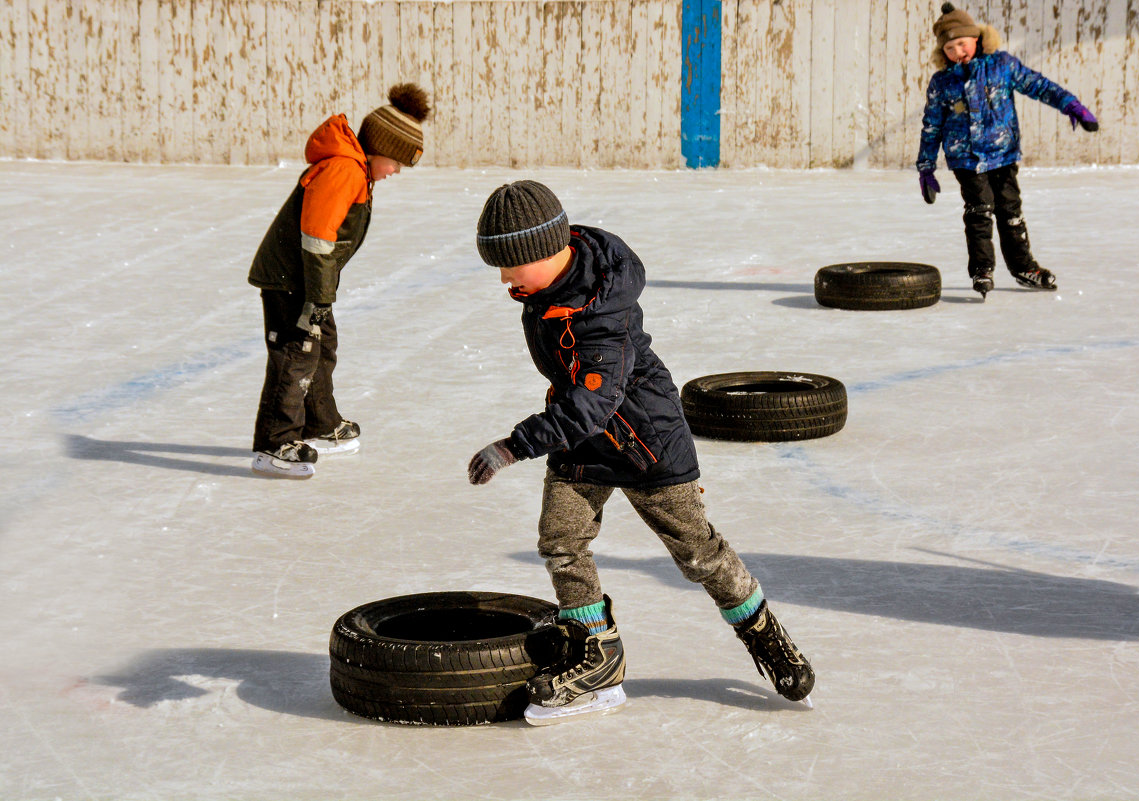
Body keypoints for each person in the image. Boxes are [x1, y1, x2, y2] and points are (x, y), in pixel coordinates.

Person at [466, 180, 815, 725]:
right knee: (560, 539)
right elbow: (580, 401)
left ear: (544, 250)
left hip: (644, 442)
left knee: (698, 554)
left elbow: (594, 402)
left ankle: (762, 632)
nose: (505, 279)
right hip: (583, 437)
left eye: (510, 266)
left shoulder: (601, 313)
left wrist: (516, 445)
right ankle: (597, 658)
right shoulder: (549, 285)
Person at [248, 84, 430, 479]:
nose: (395, 171)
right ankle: (274, 442)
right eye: (396, 162)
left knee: (321, 346)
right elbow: (317, 239)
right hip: (290, 280)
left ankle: (319, 423)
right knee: (297, 352)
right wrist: (316, 300)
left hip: (308, 283)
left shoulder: (356, 170)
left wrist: (321, 299)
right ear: (380, 149)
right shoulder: (344, 169)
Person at [916, 3, 1098, 299]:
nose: (957, 52)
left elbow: (1038, 85)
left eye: (961, 43)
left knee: (1010, 212)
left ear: (976, 38)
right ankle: (982, 270)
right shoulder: (942, 82)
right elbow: (931, 126)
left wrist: (1070, 105)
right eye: (949, 48)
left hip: (1003, 155)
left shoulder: (1002, 65)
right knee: (979, 212)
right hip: (967, 160)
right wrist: (925, 167)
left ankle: (1023, 267)